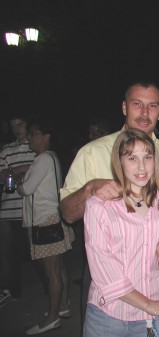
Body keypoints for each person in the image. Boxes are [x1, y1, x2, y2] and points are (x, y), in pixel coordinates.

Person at [60, 80, 159, 324]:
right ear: (124, 107)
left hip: (154, 280)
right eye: (137, 104)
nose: (144, 113)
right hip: (106, 284)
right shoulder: (93, 152)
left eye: (152, 106)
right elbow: (67, 214)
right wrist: (90, 189)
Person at [83, 129, 159, 337]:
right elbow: (106, 274)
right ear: (119, 162)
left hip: (153, 316)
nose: (141, 167)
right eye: (132, 158)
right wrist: (150, 305)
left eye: (147, 157)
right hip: (109, 317)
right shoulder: (100, 206)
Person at [16, 118, 74, 335]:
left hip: (45, 221)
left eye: (33, 134)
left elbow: (27, 189)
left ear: (45, 136)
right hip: (53, 218)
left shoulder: (42, 159)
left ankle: (52, 318)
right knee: (58, 269)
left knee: (52, 273)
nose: (30, 138)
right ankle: (63, 307)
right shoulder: (51, 157)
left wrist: (20, 183)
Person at [0, 112, 36, 306]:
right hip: (8, 209)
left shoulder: (35, 146)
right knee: (6, 253)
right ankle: (10, 290)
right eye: (13, 126)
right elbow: (1, 174)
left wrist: (15, 171)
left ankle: (52, 292)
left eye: (20, 124)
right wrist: (22, 170)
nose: (16, 129)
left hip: (30, 209)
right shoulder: (6, 150)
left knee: (37, 254)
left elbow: (40, 170)